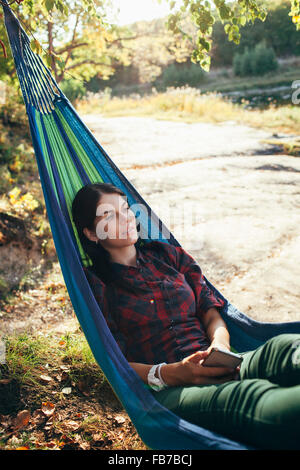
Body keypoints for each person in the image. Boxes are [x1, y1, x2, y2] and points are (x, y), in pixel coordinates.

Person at [71, 182, 300, 450]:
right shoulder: (95, 286)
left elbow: (211, 314)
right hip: (169, 391)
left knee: (284, 348)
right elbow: (114, 361)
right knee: (248, 398)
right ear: (91, 233)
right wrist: (172, 373)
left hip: (216, 359)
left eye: (125, 209)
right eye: (109, 215)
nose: (126, 218)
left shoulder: (168, 255)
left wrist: (220, 347)